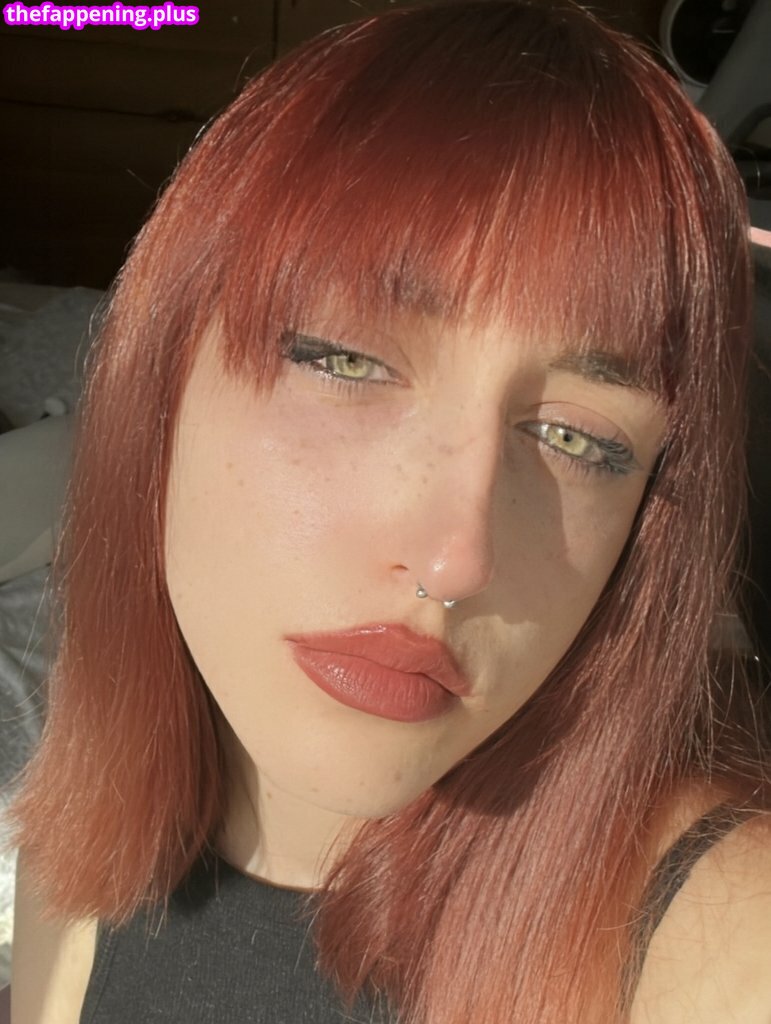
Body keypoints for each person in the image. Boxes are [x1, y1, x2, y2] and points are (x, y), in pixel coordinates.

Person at [9, 2, 771, 1021]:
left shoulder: (724, 939)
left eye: (578, 439)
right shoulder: (76, 855)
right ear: (159, 385)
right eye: (346, 360)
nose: (455, 560)